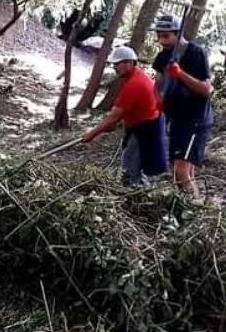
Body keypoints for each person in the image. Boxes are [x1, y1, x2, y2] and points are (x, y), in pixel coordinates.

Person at [82, 46, 167, 186]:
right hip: (143, 124)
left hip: (146, 129)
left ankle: (134, 197)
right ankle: (141, 190)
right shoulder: (134, 76)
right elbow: (122, 113)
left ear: (129, 63)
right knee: (132, 164)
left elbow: (113, 117)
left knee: (129, 168)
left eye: (117, 64)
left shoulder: (135, 84)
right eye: (113, 64)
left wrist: (91, 134)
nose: (114, 67)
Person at [151, 14, 213, 199]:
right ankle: (194, 205)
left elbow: (206, 90)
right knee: (182, 172)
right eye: (159, 35)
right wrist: (158, 100)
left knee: (181, 172)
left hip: (195, 120)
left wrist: (180, 75)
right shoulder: (162, 57)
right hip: (176, 119)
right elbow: (158, 83)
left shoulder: (196, 53)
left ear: (178, 33)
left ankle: (195, 210)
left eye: (166, 36)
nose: (161, 40)